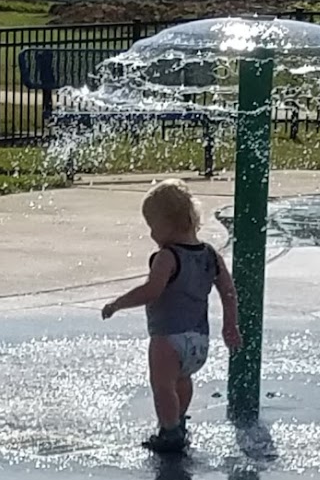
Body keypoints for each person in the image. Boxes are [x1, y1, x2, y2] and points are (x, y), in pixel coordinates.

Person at [102, 179, 242, 454]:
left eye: (152, 226)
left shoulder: (167, 256)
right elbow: (228, 291)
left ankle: (169, 431)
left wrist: (118, 303)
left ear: (168, 223)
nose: (152, 233)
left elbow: (151, 291)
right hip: (199, 342)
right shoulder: (210, 255)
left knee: (163, 386)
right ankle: (178, 421)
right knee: (182, 381)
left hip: (168, 338)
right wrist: (230, 325)